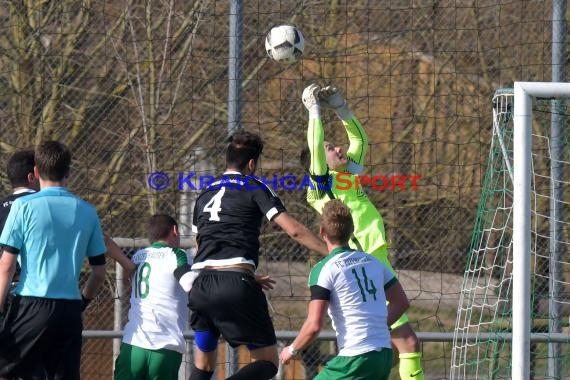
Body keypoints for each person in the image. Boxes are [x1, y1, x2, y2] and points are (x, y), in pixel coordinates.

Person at [300, 83, 425, 379]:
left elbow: (360, 140)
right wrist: (314, 111)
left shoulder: (348, 178)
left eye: (336, 145)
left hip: (376, 262)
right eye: (331, 148)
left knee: (395, 349)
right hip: (362, 265)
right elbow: (316, 151)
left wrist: (342, 108)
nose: (338, 148)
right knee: (407, 343)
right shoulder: (321, 187)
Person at [188, 129, 328, 380]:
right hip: (234, 284)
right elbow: (294, 231)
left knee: (203, 365)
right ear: (251, 164)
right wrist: (332, 251)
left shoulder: (204, 194)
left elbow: (201, 247)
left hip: (200, 286)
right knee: (267, 362)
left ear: (227, 159)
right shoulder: (254, 187)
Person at [0, 140, 107, 379]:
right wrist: (82, 303)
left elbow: (6, 266)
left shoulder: (23, 206)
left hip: (31, 305)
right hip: (69, 310)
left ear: (36, 172)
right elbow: (99, 272)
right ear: (68, 172)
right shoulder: (88, 211)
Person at [280, 200, 410, 380]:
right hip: (384, 355)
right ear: (352, 230)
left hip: (355, 359)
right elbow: (401, 302)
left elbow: (314, 325)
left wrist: (291, 350)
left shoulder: (324, 269)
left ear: (322, 232)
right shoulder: (373, 261)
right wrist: (377, 326)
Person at [113, 214, 197, 379]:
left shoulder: (138, 256)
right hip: (165, 348)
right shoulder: (178, 255)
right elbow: (190, 284)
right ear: (174, 230)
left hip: (133, 345)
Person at [0, 149, 39, 288]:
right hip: (34, 285)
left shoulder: (2, 206)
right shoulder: (42, 206)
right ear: (32, 177)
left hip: (4, 283)